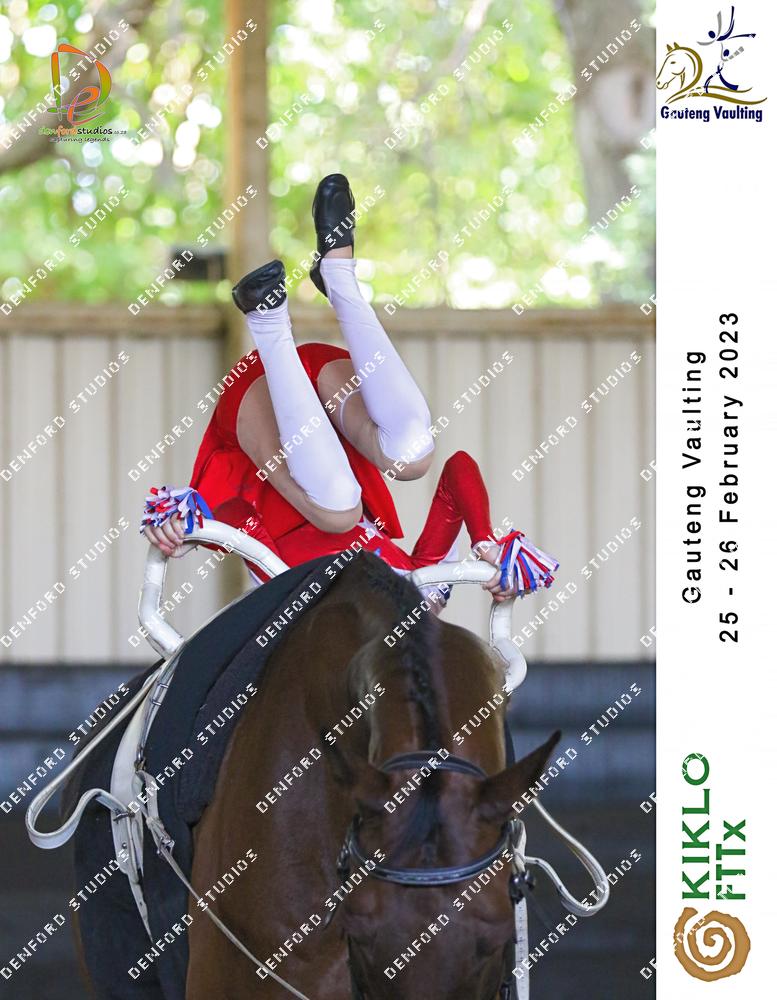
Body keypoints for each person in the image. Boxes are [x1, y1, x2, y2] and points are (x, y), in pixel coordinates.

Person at [141, 175, 557, 606]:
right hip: (318, 384)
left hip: (257, 406)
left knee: (339, 510)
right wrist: (485, 541)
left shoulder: (298, 607)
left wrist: (188, 527)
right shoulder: (423, 584)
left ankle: (266, 319)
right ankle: (338, 275)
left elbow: (236, 514)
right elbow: (458, 470)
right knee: (412, 452)